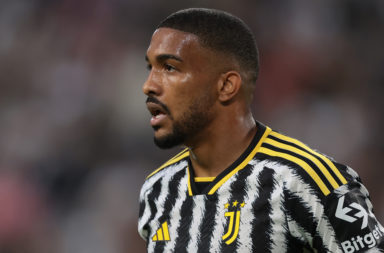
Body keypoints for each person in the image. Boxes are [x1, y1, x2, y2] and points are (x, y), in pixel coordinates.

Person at [138, 8, 384, 253]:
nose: (149, 85)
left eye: (169, 68)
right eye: (151, 68)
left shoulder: (308, 181)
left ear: (226, 85)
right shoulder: (157, 191)